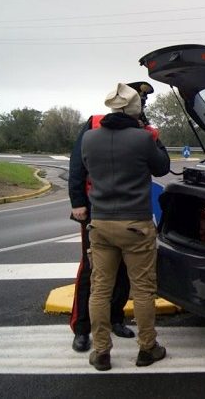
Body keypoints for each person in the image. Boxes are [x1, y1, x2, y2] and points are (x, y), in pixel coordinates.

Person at [81, 82, 170, 371]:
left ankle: (102, 351)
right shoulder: (142, 139)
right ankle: (147, 348)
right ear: (136, 110)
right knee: (143, 290)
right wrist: (153, 137)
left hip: (101, 223)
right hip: (135, 224)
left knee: (100, 290)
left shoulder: (89, 139)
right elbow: (162, 167)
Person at [68, 81, 156, 352]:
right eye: (140, 101)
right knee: (92, 273)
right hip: (95, 208)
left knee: (123, 274)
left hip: (116, 214)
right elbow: (76, 165)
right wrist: (78, 202)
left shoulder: (139, 128)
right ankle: (82, 328)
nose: (142, 107)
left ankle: (115, 318)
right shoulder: (94, 124)